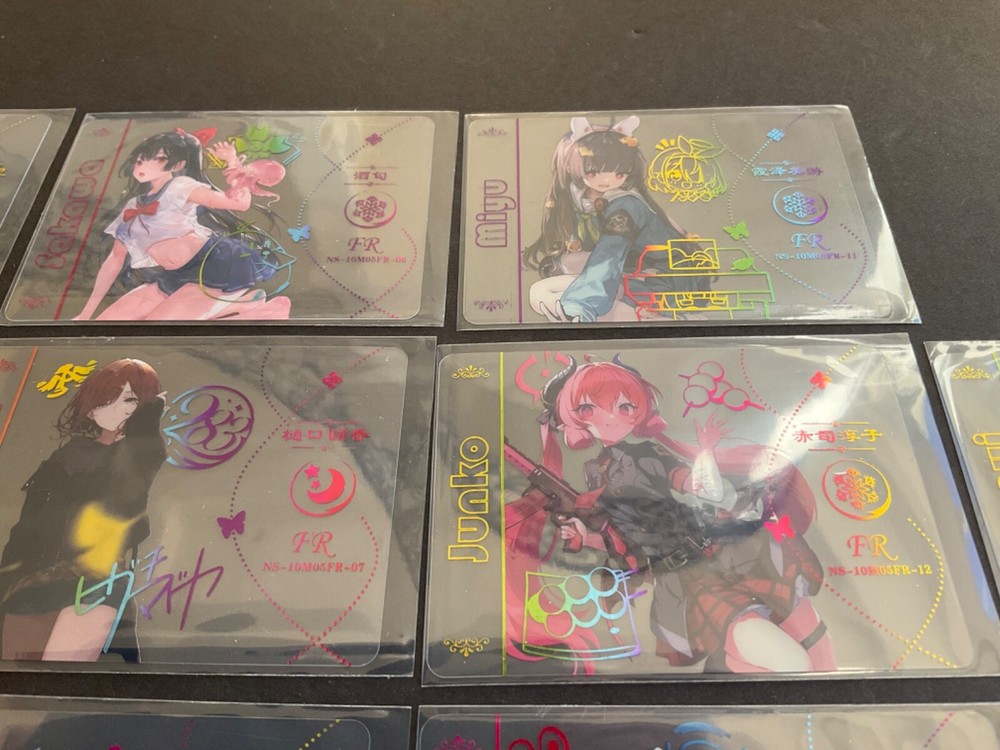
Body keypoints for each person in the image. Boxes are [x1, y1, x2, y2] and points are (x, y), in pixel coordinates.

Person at [505, 356, 835, 673]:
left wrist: (706, 456)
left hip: (725, 554)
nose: (619, 414)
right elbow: (622, 536)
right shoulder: (597, 471)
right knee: (785, 659)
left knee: (810, 640)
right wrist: (585, 534)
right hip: (687, 578)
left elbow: (700, 487)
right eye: (591, 408)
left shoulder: (646, 454)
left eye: (626, 406)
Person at [0, 359, 166, 661]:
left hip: (94, 582)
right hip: (30, 585)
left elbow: (137, 476)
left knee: (57, 674)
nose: (116, 408)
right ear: (91, 408)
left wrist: (146, 421)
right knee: (18, 675)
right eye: (106, 399)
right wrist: (7, 582)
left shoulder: (135, 455)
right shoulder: (63, 458)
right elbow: (25, 528)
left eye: (130, 400)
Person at [73, 128, 291, 321]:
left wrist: (234, 165)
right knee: (108, 322)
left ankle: (238, 308)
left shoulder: (179, 186)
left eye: (157, 159)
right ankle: (245, 307)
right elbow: (115, 259)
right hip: (173, 276)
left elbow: (237, 203)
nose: (143, 164)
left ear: (177, 165)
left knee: (157, 329)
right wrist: (86, 314)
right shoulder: (131, 206)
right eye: (141, 159)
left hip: (214, 265)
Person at [522, 116, 710, 323]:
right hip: (628, 275)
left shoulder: (625, 206)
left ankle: (656, 318)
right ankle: (595, 311)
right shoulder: (584, 201)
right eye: (594, 171)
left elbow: (608, 256)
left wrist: (582, 304)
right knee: (539, 293)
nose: (606, 179)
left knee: (564, 299)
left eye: (619, 173)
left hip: (661, 282)